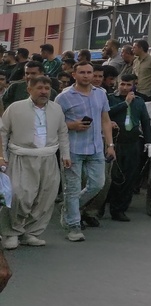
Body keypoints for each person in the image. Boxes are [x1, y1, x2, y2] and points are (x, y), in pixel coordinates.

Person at [0, 76, 71, 249]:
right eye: (39, 88)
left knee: (45, 197)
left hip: (48, 158)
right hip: (21, 157)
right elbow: (2, 132)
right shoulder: (15, 108)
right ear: (29, 89)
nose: (44, 91)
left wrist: (66, 155)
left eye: (47, 88)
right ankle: (11, 233)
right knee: (19, 195)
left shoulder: (56, 109)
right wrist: (2, 156)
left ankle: (31, 232)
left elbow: (63, 132)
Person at [55, 62, 115, 242]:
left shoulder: (101, 94)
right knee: (72, 189)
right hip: (72, 148)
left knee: (98, 184)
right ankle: (73, 225)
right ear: (74, 74)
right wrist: (72, 125)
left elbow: (105, 120)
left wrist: (110, 144)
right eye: (82, 72)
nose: (87, 76)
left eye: (89, 72)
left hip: (96, 147)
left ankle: (68, 209)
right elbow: (55, 124)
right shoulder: (63, 97)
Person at [106, 72, 151, 222]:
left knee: (129, 177)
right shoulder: (111, 98)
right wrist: (125, 103)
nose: (125, 87)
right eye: (122, 84)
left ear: (134, 85)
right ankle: (104, 205)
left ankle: (120, 209)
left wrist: (148, 141)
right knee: (113, 177)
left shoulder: (139, 101)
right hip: (115, 143)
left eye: (128, 85)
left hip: (132, 143)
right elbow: (107, 114)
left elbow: (145, 122)